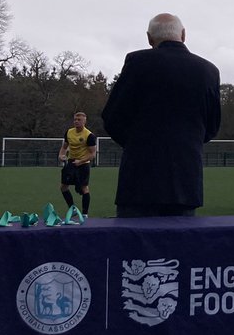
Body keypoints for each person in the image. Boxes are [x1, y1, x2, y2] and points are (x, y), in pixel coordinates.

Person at [101, 13, 221, 218]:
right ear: (183, 35)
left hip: (139, 179)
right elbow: (212, 125)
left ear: (149, 38)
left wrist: (137, 144)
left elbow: (112, 117)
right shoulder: (208, 71)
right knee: (180, 247)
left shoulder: (137, 62)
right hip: (185, 180)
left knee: (134, 245)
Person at [58, 111, 96, 217]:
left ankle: (85, 214)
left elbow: (93, 154)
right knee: (63, 187)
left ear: (84, 121)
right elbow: (64, 147)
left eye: (79, 120)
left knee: (84, 188)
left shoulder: (89, 135)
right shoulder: (69, 132)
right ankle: (72, 208)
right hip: (71, 162)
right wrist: (61, 155)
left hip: (83, 164)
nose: (76, 121)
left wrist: (81, 161)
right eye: (75, 119)